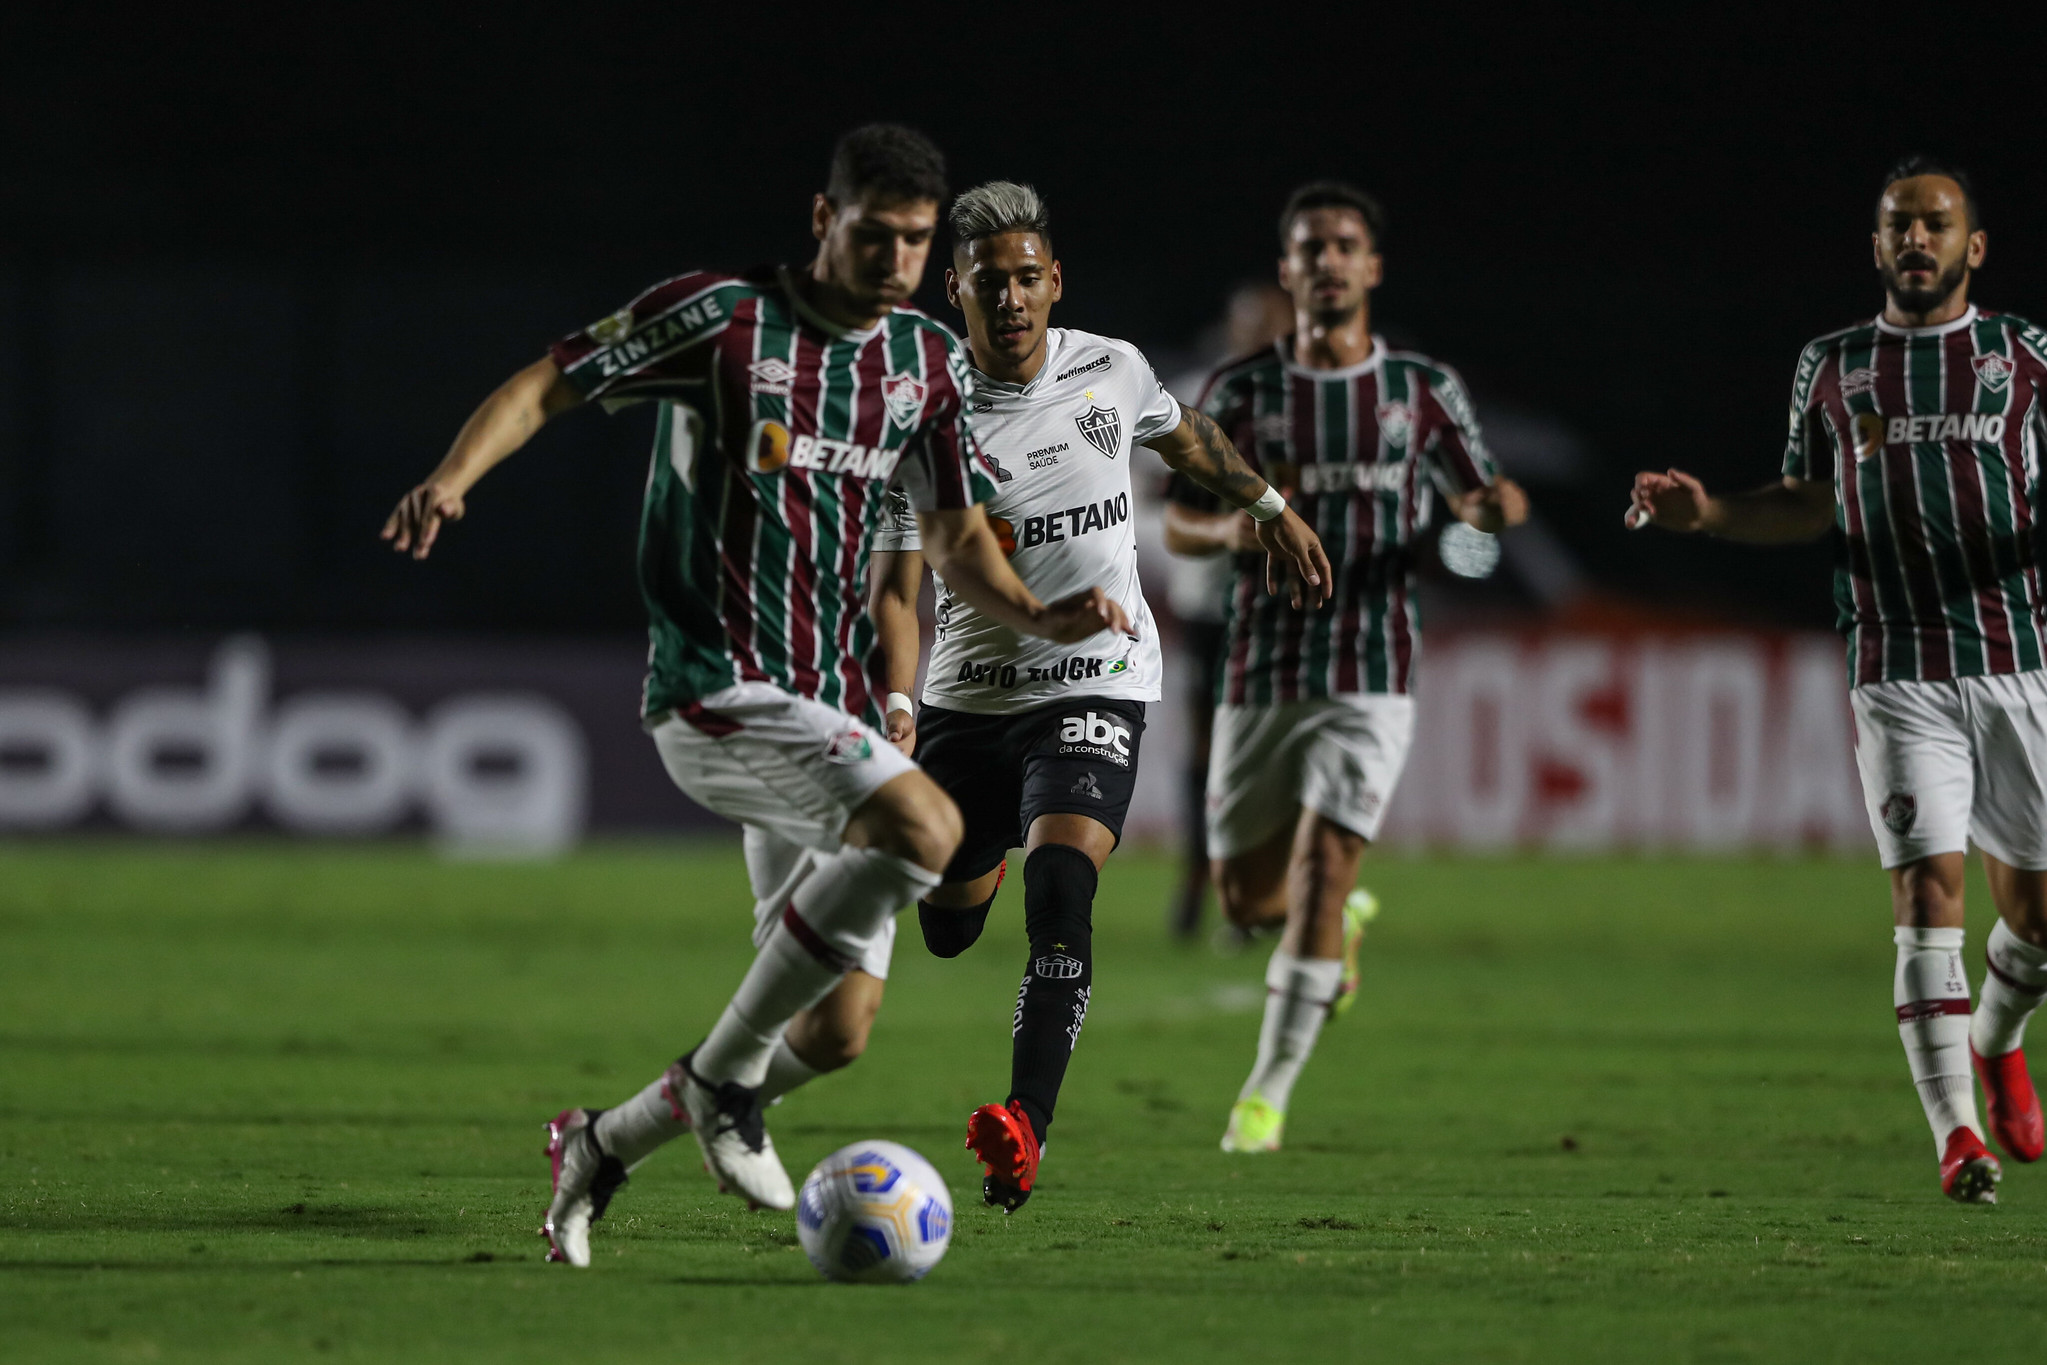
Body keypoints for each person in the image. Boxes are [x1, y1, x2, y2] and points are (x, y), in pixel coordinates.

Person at [380, 126, 1131, 1265]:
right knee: (928, 826)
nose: (894, 259)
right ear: (822, 220)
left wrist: (1042, 616)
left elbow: (954, 539)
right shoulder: (722, 320)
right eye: (873, 234)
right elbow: (552, 381)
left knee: (837, 1034)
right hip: (714, 684)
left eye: (916, 241)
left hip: (826, 707)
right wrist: (450, 476)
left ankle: (602, 1144)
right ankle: (723, 1085)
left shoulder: (925, 362)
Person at [863, 182, 1328, 1210]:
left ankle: (1025, 1126)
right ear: (958, 292)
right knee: (948, 923)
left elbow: (1184, 433)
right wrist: (897, 709)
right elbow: (897, 594)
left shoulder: (1108, 368)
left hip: (1096, 681)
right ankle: (964, 866)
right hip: (964, 702)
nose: (1014, 298)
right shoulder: (922, 415)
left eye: (1030, 278)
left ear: (1055, 281)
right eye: (993, 283)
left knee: (1062, 890)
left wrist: (1266, 503)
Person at [1629, 156, 2047, 1205]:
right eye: (1899, 226)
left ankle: (1998, 1043)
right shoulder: (1833, 366)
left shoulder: (2025, 357)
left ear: (1972, 247)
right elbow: (1809, 500)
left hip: (2014, 660)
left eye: (1936, 226)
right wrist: (1711, 513)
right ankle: (1957, 1137)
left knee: (2036, 918)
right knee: (1923, 897)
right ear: (1875, 246)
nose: (1916, 241)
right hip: (1892, 667)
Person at [1166, 180, 1528, 1154]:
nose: (1326, 262)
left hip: (1373, 664)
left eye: (1343, 246)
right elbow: (1176, 521)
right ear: (1286, 272)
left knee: (1325, 867)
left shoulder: (1420, 389)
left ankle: (1263, 1099)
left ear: (1371, 267)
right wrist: (1241, 531)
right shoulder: (1239, 392)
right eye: (1308, 248)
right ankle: (1338, 929)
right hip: (1258, 666)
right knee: (1247, 898)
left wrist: (1487, 512)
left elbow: (1484, 495)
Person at [1163, 281, 1297, 942]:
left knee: (1268, 752)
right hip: (1209, 602)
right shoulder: (1194, 400)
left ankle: (1253, 888)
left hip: (1285, 605)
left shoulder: (1314, 404)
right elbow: (1149, 504)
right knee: (1207, 751)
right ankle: (1198, 874)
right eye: (1251, 329)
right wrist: (1215, 535)